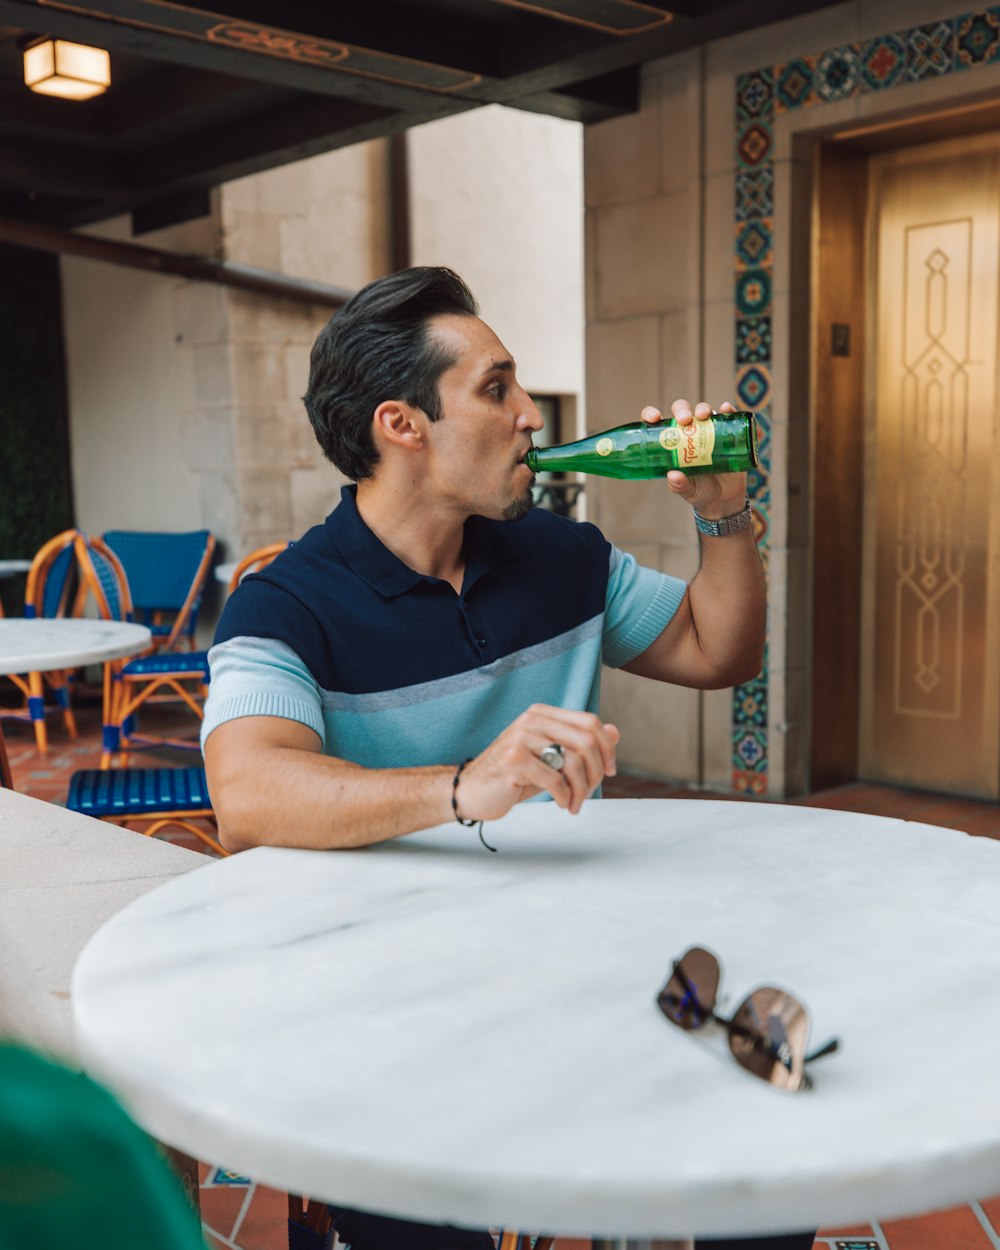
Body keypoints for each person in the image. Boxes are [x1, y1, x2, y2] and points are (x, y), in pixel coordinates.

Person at [202, 267, 808, 1250]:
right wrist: (463, 786)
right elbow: (248, 790)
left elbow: (715, 648)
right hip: (391, 1008)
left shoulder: (561, 555)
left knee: (768, 1168)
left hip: (578, 963)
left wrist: (724, 513)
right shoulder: (285, 604)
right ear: (403, 425)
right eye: (497, 389)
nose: (531, 415)